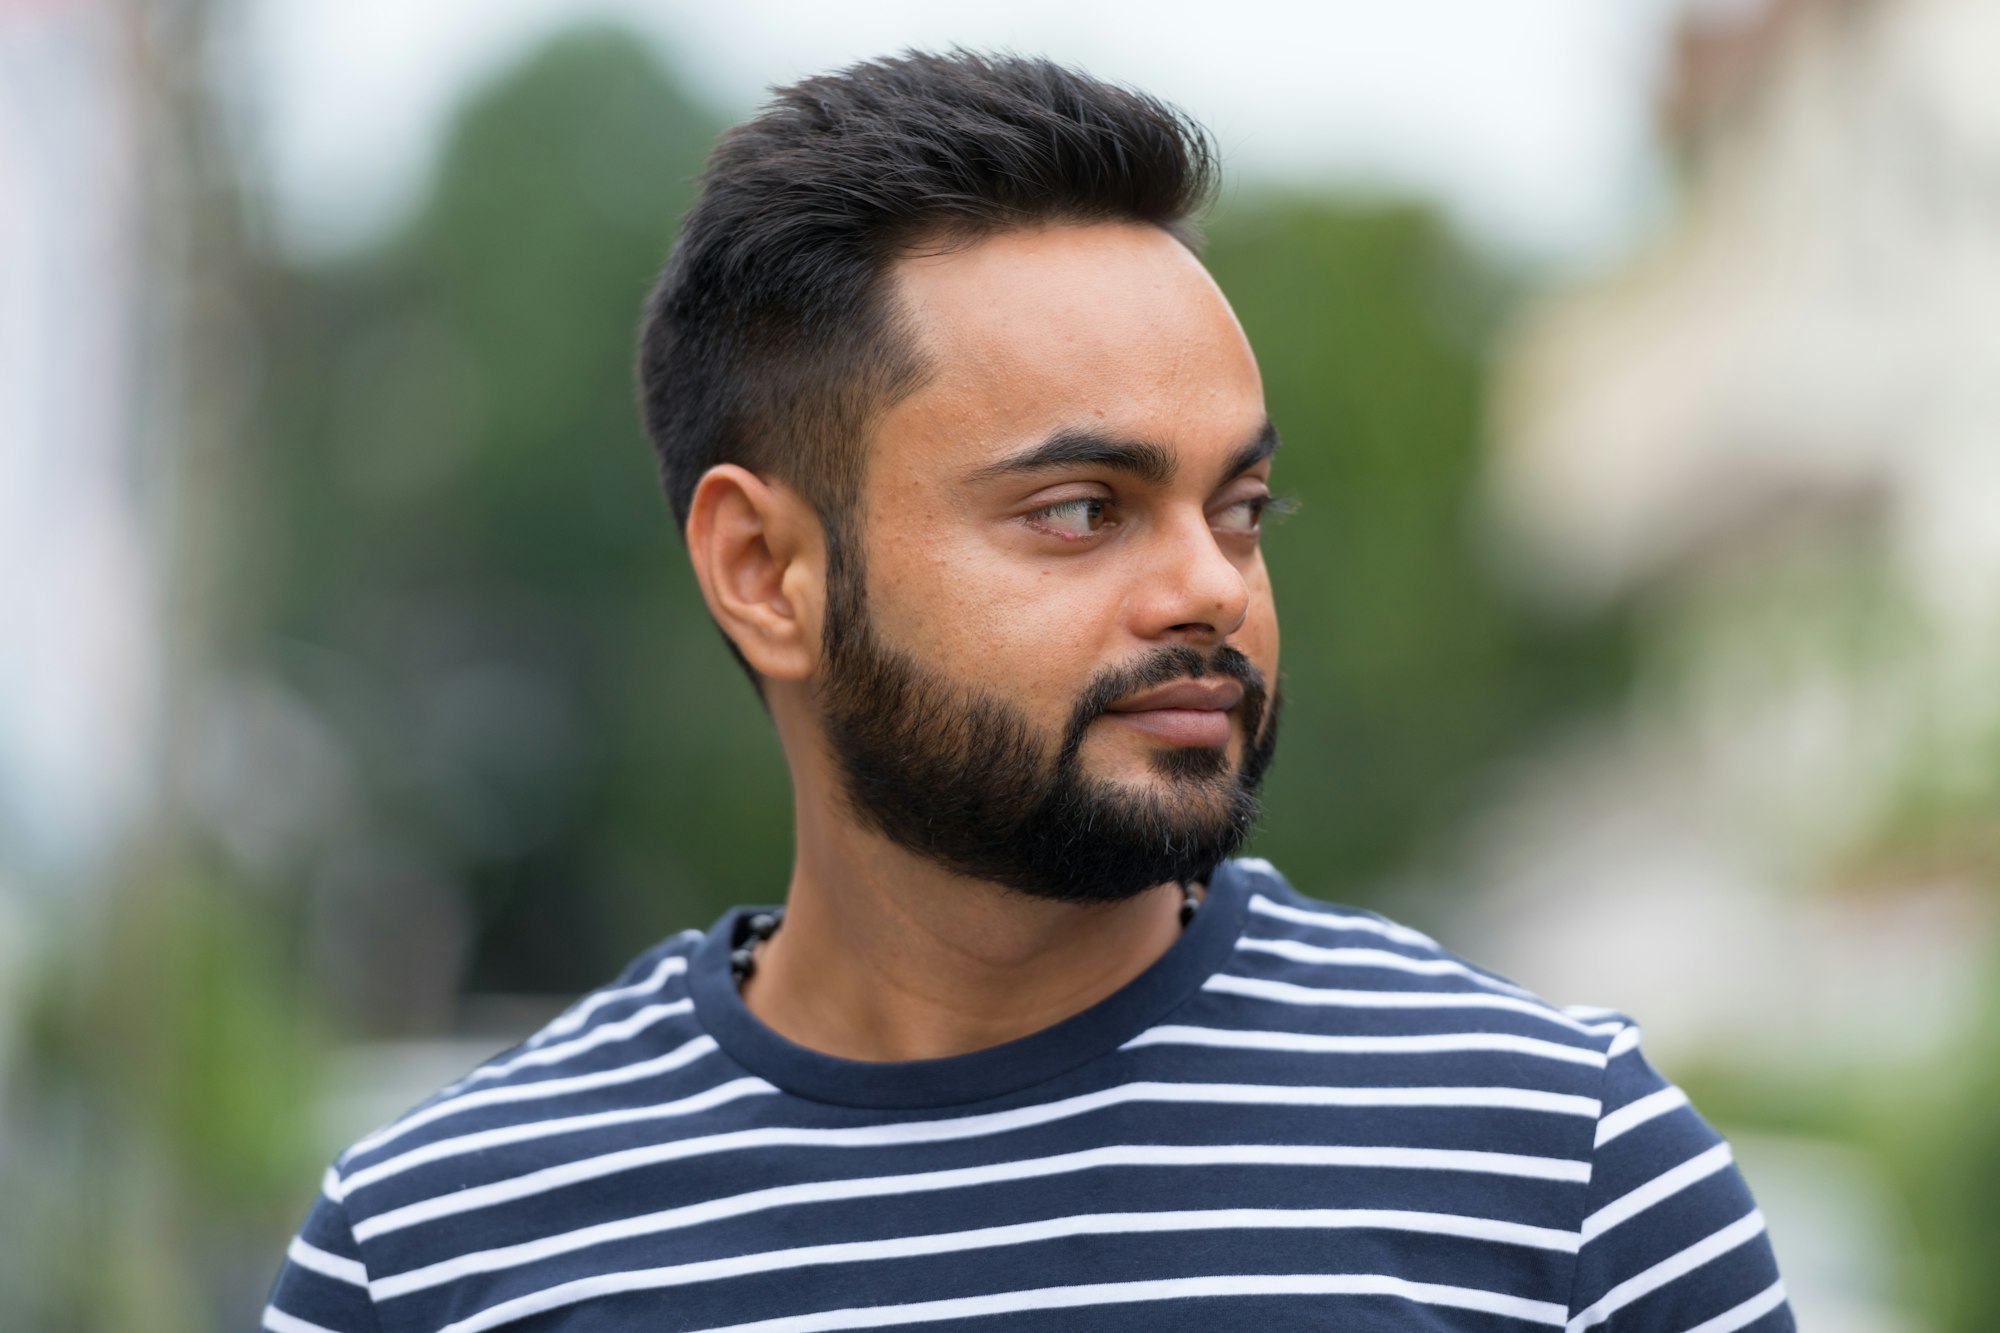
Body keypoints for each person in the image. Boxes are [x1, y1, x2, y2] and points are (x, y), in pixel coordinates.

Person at [263, 50, 1792, 1333]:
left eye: (1238, 507)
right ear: (764, 570)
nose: (1208, 582)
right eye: (1080, 508)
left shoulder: (1566, 1182)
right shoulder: (437, 1254)